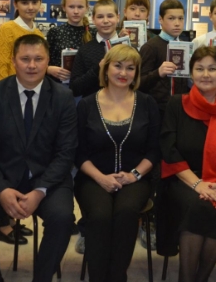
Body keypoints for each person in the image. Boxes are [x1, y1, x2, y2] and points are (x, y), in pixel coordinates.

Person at [0, 34, 77, 282]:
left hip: (47, 179)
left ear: (48, 60)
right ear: (14, 61)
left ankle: (42, 278)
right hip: (0, 176)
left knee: (63, 218)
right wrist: (1, 189)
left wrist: (40, 191)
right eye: (25, 59)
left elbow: (66, 152)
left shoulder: (63, 97)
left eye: (38, 59)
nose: (32, 65)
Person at [157, 46, 216, 282]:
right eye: (199, 69)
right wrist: (197, 184)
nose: (206, 74)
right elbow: (169, 149)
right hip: (183, 178)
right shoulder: (177, 103)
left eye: (212, 68)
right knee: (198, 206)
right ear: (191, 74)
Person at [74, 45, 160, 282]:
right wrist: (101, 178)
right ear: (106, 68)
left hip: (136, 178)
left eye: (130, 68)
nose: (123, 73)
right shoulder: (86, 105)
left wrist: (134, 175)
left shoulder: (148, 103)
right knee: (100, 216)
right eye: (118, 66)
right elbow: (78, 153)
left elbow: (154, 151)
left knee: (126, 212)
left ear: (137, 73)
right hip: (93, 178)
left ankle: (117, 276)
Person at [139, 0, 190, 118]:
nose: (177, 23)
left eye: (181, 18)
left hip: (182, 108)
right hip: (157, 111)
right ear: (160, 19)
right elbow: (138, 82)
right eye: (171, 18)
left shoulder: (186, 46)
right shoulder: (150, 47)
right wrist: (158, 73)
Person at [70, 0, 120, 97]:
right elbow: (74, 89)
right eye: (100, 17)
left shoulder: (128, 48)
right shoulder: (85, 50)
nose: (105, 21)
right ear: (93, 19)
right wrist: (98, 69)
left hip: (123, 103)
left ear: (118, 18)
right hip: (92, 104)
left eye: (110, 16)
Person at [0, 0, 44, 81]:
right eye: (25, 3)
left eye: (34, 2)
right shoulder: (7, 29)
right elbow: (2, 64)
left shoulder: (39, 34)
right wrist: (5, 87)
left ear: (40, 3)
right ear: (15, 4)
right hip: (11, 85)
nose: (30, 7)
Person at [46, 0, 92, 83]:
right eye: (71, 7)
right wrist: (48, 69)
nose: (76, 11)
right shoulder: (55, 32)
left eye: (80, 7)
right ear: (64, 7)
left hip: (86, 86)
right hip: (59, 86)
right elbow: (43, 60)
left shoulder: (94, 33)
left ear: (87, 7)